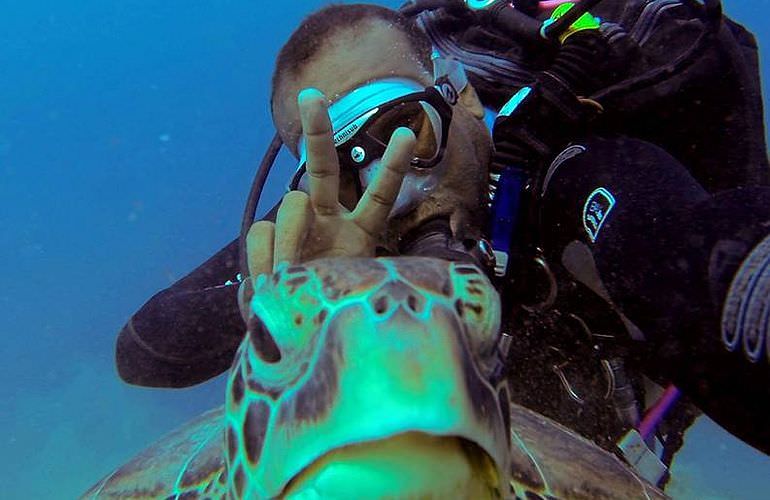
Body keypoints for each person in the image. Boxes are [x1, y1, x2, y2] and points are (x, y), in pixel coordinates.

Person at [115, 2, 770, 471]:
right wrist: (296, 301)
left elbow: (704, 261)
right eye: (344, 166)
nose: (393, 183)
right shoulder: (317, 237)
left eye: (407, 129)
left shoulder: (571, 178)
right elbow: (143, 349)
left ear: (462, 103)